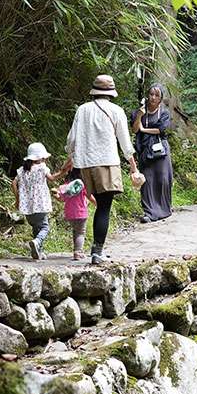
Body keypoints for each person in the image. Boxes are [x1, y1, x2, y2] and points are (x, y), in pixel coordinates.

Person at [65, 74, 140, 264]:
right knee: (104, 207)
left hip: (85, 165)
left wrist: (71, 158)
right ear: (111, 93)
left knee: (97, 205)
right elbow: (124, 141)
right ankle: (97, 251)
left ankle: (94, 249)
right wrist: (133, 166)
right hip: (106, 162)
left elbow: (71, 140)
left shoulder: (82, 110)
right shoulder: (115, 110)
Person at [11, 142, 62, 260]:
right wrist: (64, 171)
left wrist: (17, 199)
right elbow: (53, 178)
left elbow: (13, 183)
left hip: (27, 207)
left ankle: (38, 251)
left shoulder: (22, 170)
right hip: (40, 205)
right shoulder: (42, 167)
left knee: (35, 227)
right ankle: (38, 242)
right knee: (44, 227)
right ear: (40, 157)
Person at [132, 83, 173, 222]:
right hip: (145, 149)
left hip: (160, 149)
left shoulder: (164, 113)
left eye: (157, 95)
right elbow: (135, 129)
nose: (153, 97)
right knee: (147, 180)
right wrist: (139, 116)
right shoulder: (139, 111)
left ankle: (163, 209)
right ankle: (149, 212)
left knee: (162, 179)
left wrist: (144, 130)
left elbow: (161, 129)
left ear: (161, 99)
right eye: (151, 94)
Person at [57, 168, 92, 261]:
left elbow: (61, 198)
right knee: (80, 232)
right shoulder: (82, 185)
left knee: (75, 231)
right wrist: (98, 204)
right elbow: (89, 196)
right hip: (81, 213)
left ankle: (76, 250)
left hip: (69, 213)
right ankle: (78, 252)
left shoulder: (65, 187)